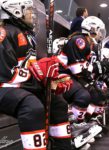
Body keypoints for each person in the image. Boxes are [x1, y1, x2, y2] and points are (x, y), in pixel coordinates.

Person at [0, 0, 72, 150]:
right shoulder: (4, 32)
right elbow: (7, 73)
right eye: (29, 10)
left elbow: (29, 68)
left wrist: (47, 80)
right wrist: (37, 72)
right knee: (32, 107)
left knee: (58, 103)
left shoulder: (27, 34)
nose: (32, 14)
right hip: (4, 87)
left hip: (19, 86)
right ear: (16, 11)